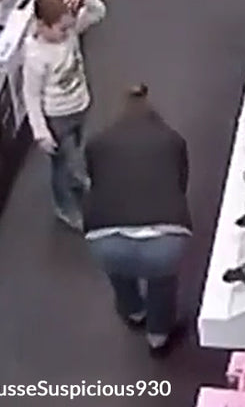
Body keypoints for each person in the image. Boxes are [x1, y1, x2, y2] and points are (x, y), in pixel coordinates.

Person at [82, 84, 191, 355]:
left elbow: (94, 181)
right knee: (162, 283)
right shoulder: (173, 141)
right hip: (164, 237)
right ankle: (158, 336)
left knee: (118, 271)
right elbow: (180, 184)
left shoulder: (96, 143)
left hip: (105, 236)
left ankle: (133, 311)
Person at [22, 0, 107, 230]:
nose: (68, 32)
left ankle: (77, 179)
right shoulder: (36, 56)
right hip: (57, 119)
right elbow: (30, 95)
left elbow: (98, 12)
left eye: (70, 26)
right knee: (63, 164)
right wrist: (40, 132)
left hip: (79, 106)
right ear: (42, 25)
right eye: (62, 29)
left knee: (75, 150)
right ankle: (65, 207)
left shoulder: (69, 33)